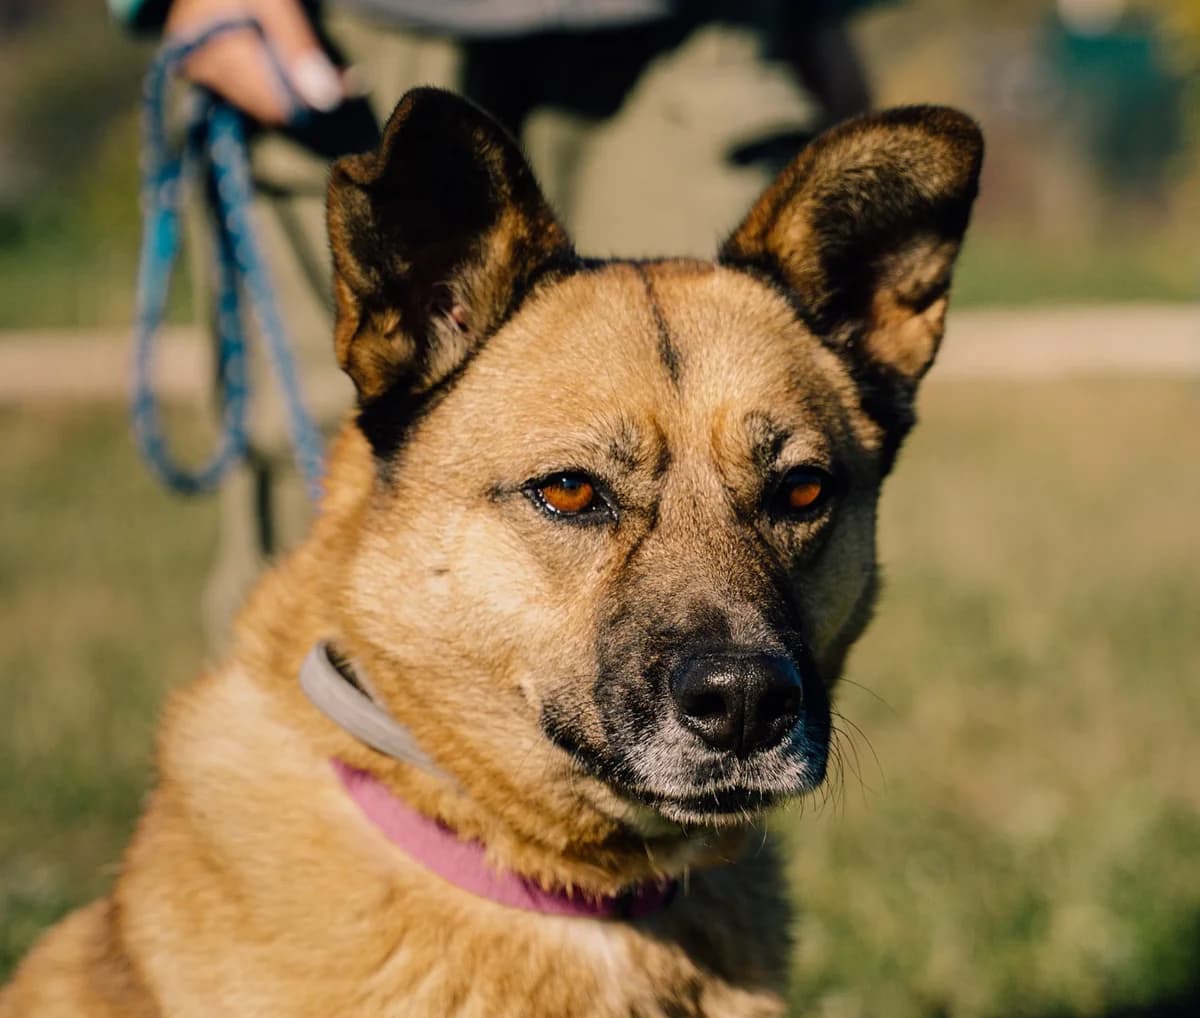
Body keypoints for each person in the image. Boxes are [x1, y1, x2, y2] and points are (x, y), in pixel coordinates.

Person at [111, 0, 878, 645]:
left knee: (735, 429)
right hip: (341, 38)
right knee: (309, 532)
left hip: (689, 31)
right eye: (572, 492)